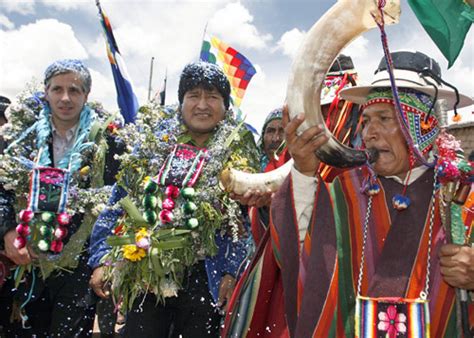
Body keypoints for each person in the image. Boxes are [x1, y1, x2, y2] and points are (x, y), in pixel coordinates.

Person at [223, 51, 474, 337]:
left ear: (424, 126)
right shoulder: (347, 191)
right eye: (365, 120)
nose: (369, 132)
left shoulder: (461, 195)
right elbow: (301, 253)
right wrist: (304, 171)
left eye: (384, 118)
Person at [88, 61, 259, 338]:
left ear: (226, 105)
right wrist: (100, 260)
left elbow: (241, 221)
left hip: (206, 275)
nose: (202, 104)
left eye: (212, 96)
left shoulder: (239, 151)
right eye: (193, 95)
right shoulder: (153, 145)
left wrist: (231, 271)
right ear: (181, 102)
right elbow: (118, 200)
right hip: (146, 270)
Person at [0, 59, 121, 337]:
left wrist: (103, 260)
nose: (65, 98)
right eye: (57, 89)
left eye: (74, 91)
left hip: (79, 263)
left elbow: (115, 202)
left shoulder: (108, 141)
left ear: (86, 96)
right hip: (26, 259)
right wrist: (7, 233)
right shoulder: (19, 136)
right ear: (46, 92)